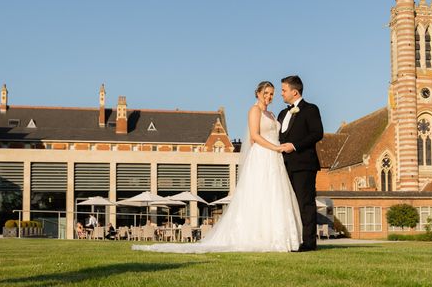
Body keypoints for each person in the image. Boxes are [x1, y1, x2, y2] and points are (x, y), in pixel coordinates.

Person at [133, 81, 302, 253]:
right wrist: (275, 148)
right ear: (258, 93)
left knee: (274, 194)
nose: (269, 97)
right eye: (265, 93)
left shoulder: (272, 114)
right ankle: (258, 236)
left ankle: (278, 236)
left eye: (272, 94)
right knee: (259, 195)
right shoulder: (254, 111)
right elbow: (254, 136)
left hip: (275, 159)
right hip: (264, 155)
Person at [278, 75, 324, 251]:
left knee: (305, 203)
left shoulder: (311, 109)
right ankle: (291, 240)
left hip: (304, 165)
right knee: (288, 204)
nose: (281, 94)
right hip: (284, 166)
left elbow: (317, 133)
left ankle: (309, 243)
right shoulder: (283, 113)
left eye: (284, 90)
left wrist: (295, 146)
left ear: (294, 91)